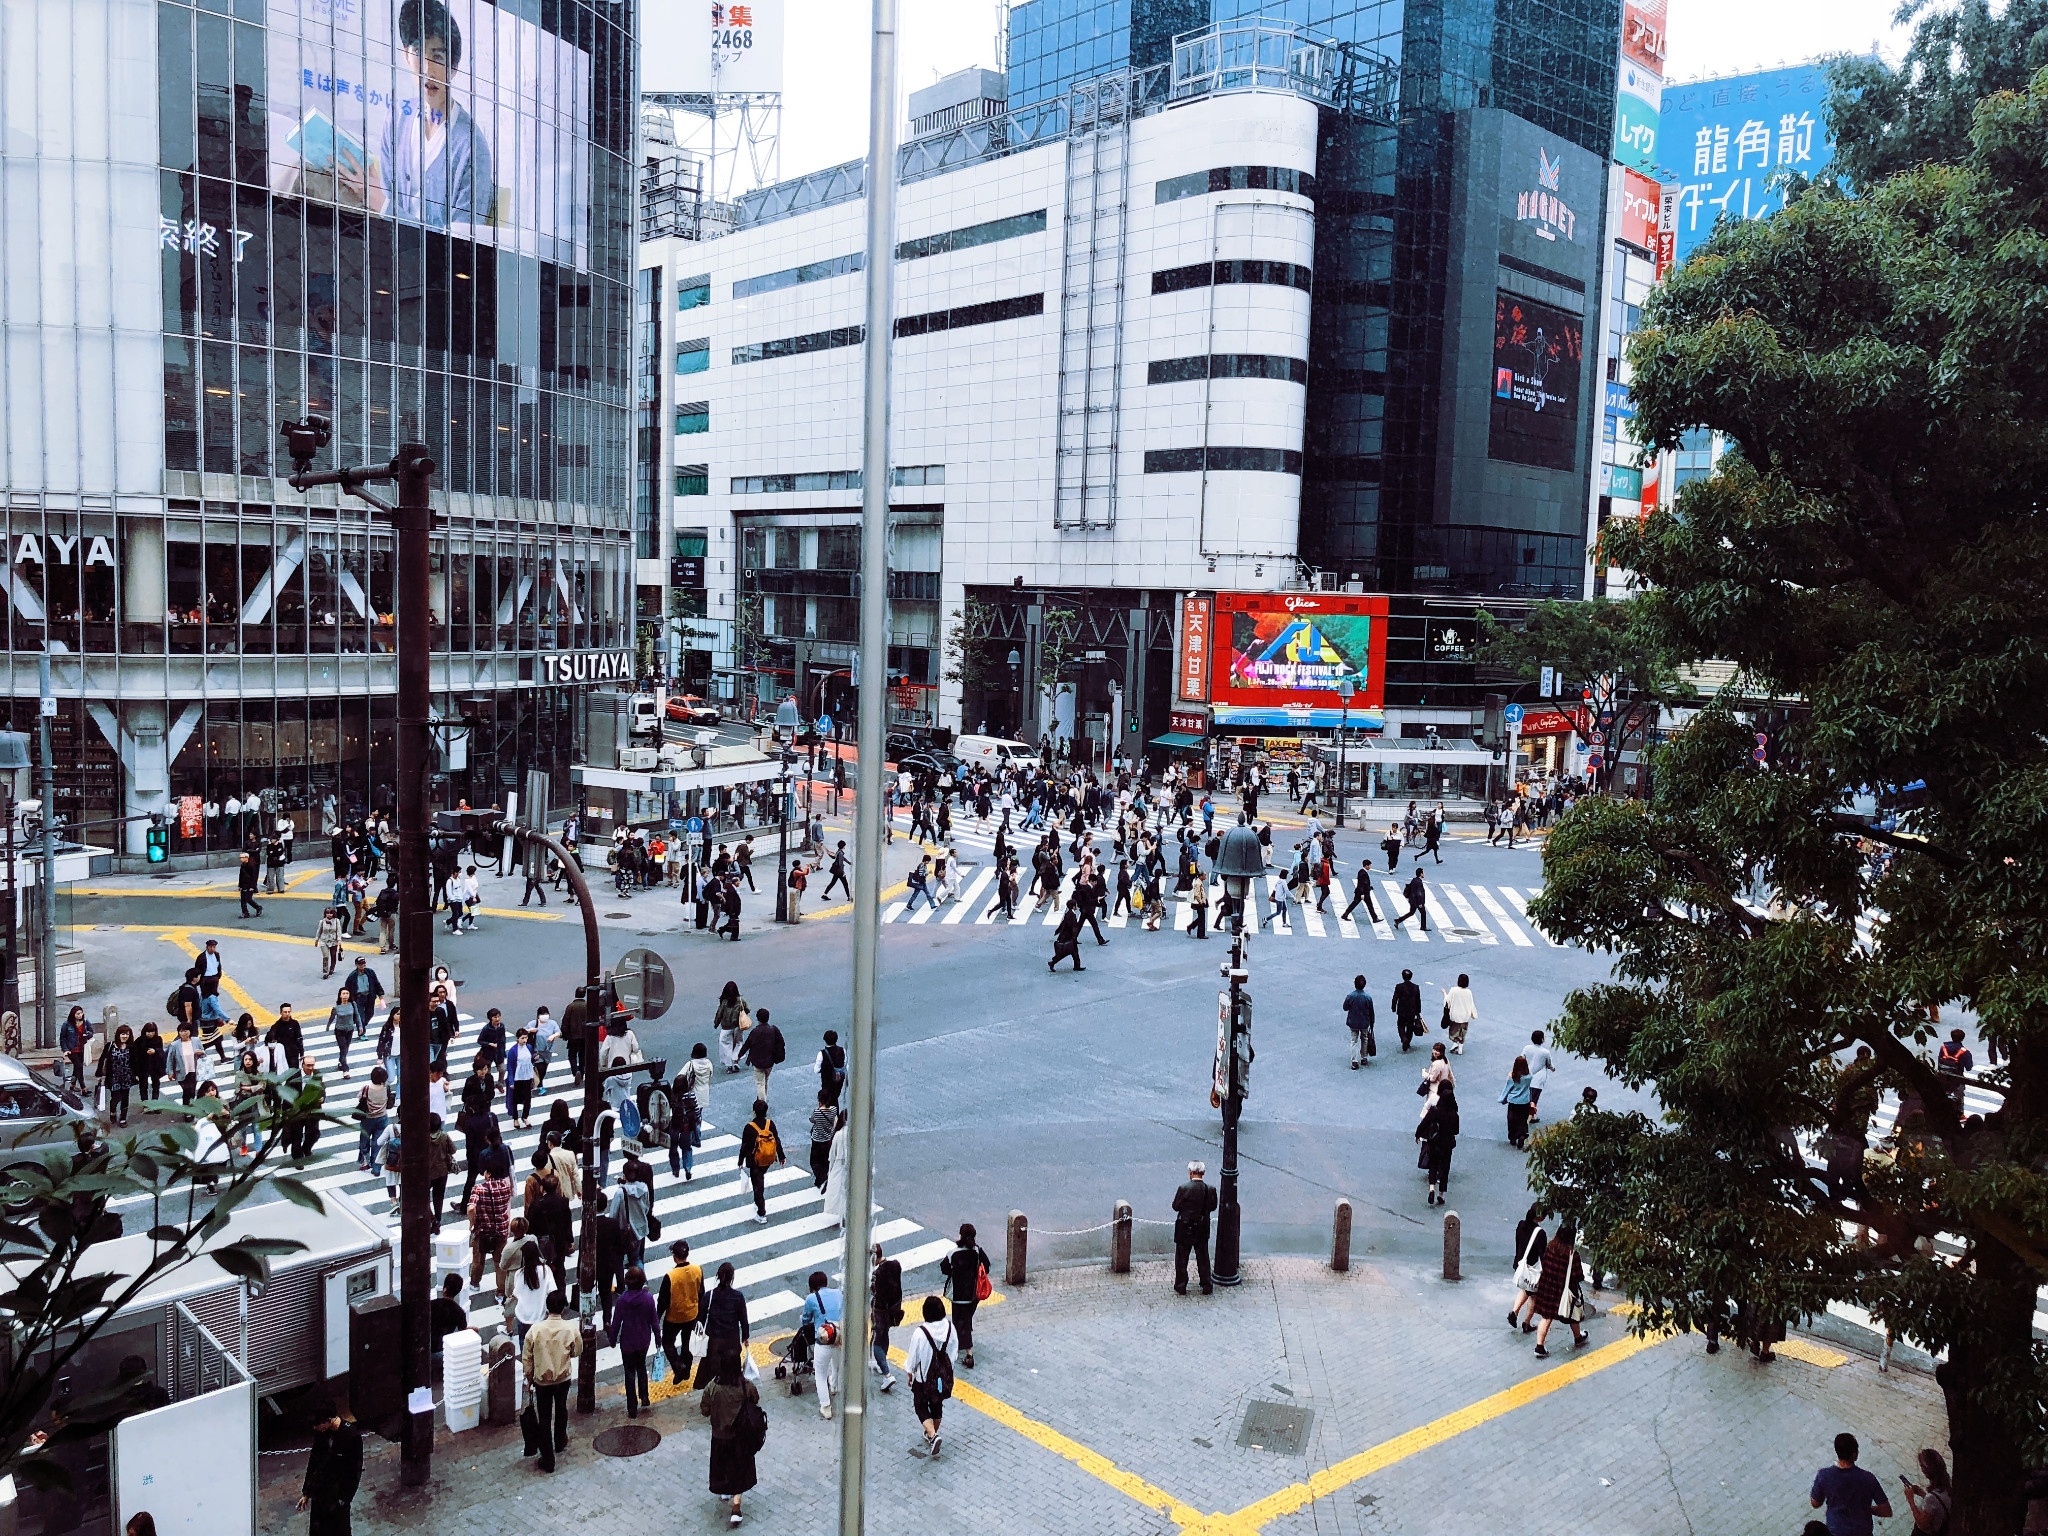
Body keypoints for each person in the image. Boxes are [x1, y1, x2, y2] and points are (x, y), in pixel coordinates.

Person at [521, 1290, 582, 1473]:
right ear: (564, 1308)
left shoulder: (535, 1330)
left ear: (547, 1308)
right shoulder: (570, 1328)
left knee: (544, 1416)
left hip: (542, 1380)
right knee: (561, 1408)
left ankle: (547, 1458)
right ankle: (560, 1440)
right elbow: (577, 1350)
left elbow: (527, 1357)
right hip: (562, 1378)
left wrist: (529, 1378)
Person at [700, 1351, 761, 1529]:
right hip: (741, 1438)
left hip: (719, 1437)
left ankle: (725, 1490)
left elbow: (704, 1410)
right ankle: (736, 1507)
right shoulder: (745, 1386)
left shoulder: (713, 1387)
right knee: (740, 1470)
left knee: (723, 1465)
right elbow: (755, 1399)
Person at [296, 1403, 363, 1536]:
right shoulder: (322, 1434)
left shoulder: (351, 1436)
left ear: (328, 1420)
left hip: (338, 1495)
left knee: (339, 1530)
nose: (315, 1428)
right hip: (321, 1493)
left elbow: (354, 1471)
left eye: (317, 1424)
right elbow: (314, 1462)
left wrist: (344, 1498)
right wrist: (307, 1492)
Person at [1810, 1431, 1893, 1534]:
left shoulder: (1824, 1475)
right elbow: (1886, 1511)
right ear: (1855, 1454)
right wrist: (1866, 1509)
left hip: (1835, 1530)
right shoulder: (1868, 1478)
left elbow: (1815, 1503)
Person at [906, 1294, 956, 1458]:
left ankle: (933, 1435)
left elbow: (913, 1358)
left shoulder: (920, 1333)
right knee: (937, 1404)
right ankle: (931, 1435)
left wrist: (910, 1372)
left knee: (920, 1405)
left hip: (923, 1378)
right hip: (943, 1378)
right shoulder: (950, 1328)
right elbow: (953, 1353)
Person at [1530, 1221, 1589, 1357]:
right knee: (1572, 1315)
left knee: (1546, 1317)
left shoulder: (1549, 1247)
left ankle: (1539, 1347)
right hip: (1564, 1290)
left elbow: (1544, 1264)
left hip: (1547, 1287)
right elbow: (1578, 1276)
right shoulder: (1572, 1255)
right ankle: (1578, 1338)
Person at [938, 1222, 991, 1369]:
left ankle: (968, 1354)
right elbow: (987, 1266)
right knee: (966, 1319)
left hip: (958, 1295)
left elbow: (944, 1269)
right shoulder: (977, 1252)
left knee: (961, 1321)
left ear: (960, 1235)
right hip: (973, 1294)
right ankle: (959, 1343)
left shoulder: (953, 1253)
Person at [611, 1266, 659, 1418]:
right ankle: (644, 1396)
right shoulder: (648, 1299)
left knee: (629, 1372)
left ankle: (632, 1407)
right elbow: (655, 1321)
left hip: (627, 1341)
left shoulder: (622, 1301)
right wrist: (658, 1337)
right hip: (643, 1340)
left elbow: (616, 1323)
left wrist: (612, 1339)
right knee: (641, 1367)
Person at [800, 1268, 845, 1419]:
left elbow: (806, 1319)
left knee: (820, 1374)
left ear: (812, 1287)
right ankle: (835, 1386)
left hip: (823, 1340)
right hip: (839, 1337)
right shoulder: (838, 1293)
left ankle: (826, 1406)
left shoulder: (811, 1299)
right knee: (836, 1364)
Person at [657, 1239, 703, 1385]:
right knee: (686, 1342)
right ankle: (686, 1368)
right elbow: (701, 1293)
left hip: (674, 1317)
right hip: (691, 1314)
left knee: (668, 1343)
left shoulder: (670, 1276)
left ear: (674, 1257)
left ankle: (679, 1366)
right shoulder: (697, 1270)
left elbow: (662, 1302)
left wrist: (656, 1319)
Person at [1171, 1160, 1219, 1295]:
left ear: (1190, 1172)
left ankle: (1181, 1285)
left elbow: (1176, 1206)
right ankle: (1206, 1285)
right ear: (1203, 1173)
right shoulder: (1211, 1189)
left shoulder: (1183, 1188)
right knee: (1203, 1257)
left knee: (1181, 1259)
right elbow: (1213, 1206)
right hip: (1202, 1228)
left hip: (1185, 1228)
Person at [701, 1260, 750, 1385]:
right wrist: (745, 1337)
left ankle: (717, 1396)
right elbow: (744, 1320)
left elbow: (700, 1318)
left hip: (714, 1342)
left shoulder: (709, 1296)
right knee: (734, 1372)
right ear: (732, 1278)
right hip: (732, 1340)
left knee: (715, 1373)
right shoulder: (738, 1296)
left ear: (717, 1276)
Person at [737, 1099, 783, 1224]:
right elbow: (776, 1140)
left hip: (754, 1161)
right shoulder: (770, 1124)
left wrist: (740, 1161)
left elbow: (744, 1146)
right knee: (759, 1182)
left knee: (758, 1186)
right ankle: (758, 1203)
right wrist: (781, 1156)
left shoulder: (749, 1127)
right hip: (767, 1159)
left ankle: (761, 1213)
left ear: (754, 1112)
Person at [1417, 1081, 1459, 1205]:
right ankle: (1441, 1194)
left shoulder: (1435, 1110)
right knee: (1444, 1168)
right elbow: (1456, 1131)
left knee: (1433, 1165)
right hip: (1447, 1144)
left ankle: (1431, 1188)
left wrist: (1418, 1134)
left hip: (1434, 1142)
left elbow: (1425, 1122)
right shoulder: (1454, 1114)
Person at [870, 1241, 904, 1392]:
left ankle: (887, 1374)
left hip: (880, 1311)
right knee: (885, 1336)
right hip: (894, 1309)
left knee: (876, 1341)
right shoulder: (895, 1265)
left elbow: (873, 1291)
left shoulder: (877, 1274)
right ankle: (881, 1361)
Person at [1508, 1204, 1546, 1332]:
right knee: (1533, 1295)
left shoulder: (1521, 1224)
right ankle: (1526, 1323)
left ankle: (1514, 1313)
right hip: (1531, 1268)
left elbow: (1518, 1242)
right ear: (1540, 1217)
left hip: (1520, 1264)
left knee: (1526, 1288)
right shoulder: (1540, 1233)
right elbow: (1543, 1255)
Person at [1899, 1447, 1951, 1533]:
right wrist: (1922, 1494)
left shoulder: (1931, 1498)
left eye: (1921, 1466)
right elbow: (1938, 1504)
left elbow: (1922, 1524)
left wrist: (1910, 1500)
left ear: (1926, 1471)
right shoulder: (1947, 1485)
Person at [715, 982, 750, 1075]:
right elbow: (747, 1009)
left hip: (726, 1027)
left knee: (726, 1046)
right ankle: (735, 1061)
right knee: (738, 1043)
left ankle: (729, 1066)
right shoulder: (740, 1000)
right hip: (738, 1026)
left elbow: (719, 1014)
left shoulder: (724, 1002)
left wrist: (716, 1023)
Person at [1342, 975, 1376, 1068]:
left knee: (1354, 1040)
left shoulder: (1350, 996)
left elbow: (1345, 1007)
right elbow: (1371, 1012)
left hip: (1353, 1022)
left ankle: (1354, 1061)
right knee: (1364, 1039)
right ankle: (1364, 1058)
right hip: (1364, 1022)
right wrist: (1372, 1023)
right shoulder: (1367, 997)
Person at [430, 1273, 468, 1353]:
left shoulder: (431, 1305)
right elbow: (463, 1332)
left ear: (444, 1289)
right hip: (443, 1350)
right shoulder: (460, 1313)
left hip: (427, 1346)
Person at [1501, 1056, 1534, 1148]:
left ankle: (1512, 1137)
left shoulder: (1512, 1077)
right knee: (1523, 1119)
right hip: (1524, 1101)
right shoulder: (1529, 1077)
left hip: (1514, 1101)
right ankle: (1522, 1134)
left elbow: (1507, 1089)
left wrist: (1503, 1099)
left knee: (1512, 1119)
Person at [1441, 974, 1477, 1054]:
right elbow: (1471, 1003)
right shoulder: (1469, 992)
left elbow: (1448, 1001)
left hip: (1455, 1015)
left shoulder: (1454, 990)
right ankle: (1460, 1047)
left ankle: (1455, 1043)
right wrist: (1473, 1014)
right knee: (1462, 1032)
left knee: (1453, 1031)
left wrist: (1444, 993)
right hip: (1465, 1015)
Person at [1049, 899, 1087, 972]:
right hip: (1068, 937)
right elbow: (1071, 927)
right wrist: (1074, 936)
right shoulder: (1071, 915)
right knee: (1066, 952)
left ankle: (1077, 966)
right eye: (1075, 905)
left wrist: (1058, 930)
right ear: (1073, 907)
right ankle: (1053, 962)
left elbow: (1063, 923)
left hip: (1068, 937)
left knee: (1074, 952)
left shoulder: (1068, 914)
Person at [1526, 1030, 1556, 1119]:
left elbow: (1522, 1058)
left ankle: (1526, 1113)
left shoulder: (1527, 1048)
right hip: (1539, 1077)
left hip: (1527, 1075)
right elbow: (1549, 1064)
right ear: (1542, 1039)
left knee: (1527, 1094)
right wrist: (1552, 1069)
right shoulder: (1545, 1052)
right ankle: (1531, 1116)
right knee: (1534, 1097)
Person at [1392, 969, 1423, 1052]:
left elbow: (1395, 998)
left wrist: (1393, 1007)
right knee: (1410, 1026)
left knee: (1400, 1025)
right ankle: (1408, 1041)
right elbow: (1418, 1000)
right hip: (1412, 1011)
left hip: (1402, 1010)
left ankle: (1403, 1038)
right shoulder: (1416, 987)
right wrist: (1418, 1011)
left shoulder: (1399, 986)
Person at [1393, 863, 1429, 931]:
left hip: (1412, 900)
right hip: (1417, 901)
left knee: (1411, 912)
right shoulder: (1419, 882)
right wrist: (1420, 903)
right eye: (1423, 873)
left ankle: (1398, 920)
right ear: (1421, 874)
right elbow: (1419, 894)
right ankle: (1423, 927)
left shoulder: (1414, 880)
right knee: (1423, 913)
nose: (1424, 874)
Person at [237, 852, 263, 917]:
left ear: (246, 858)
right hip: (243, 884)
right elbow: (241, 876)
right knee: (242, 899)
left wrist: (253, 886)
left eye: (242, 858)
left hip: (249, 884)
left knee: (248, 899)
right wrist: (239, 885)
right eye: (240, 858)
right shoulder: (242, 865)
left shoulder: (251, 865)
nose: (241, 859)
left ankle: (258, 907)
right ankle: (245, 913)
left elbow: (254, 877)